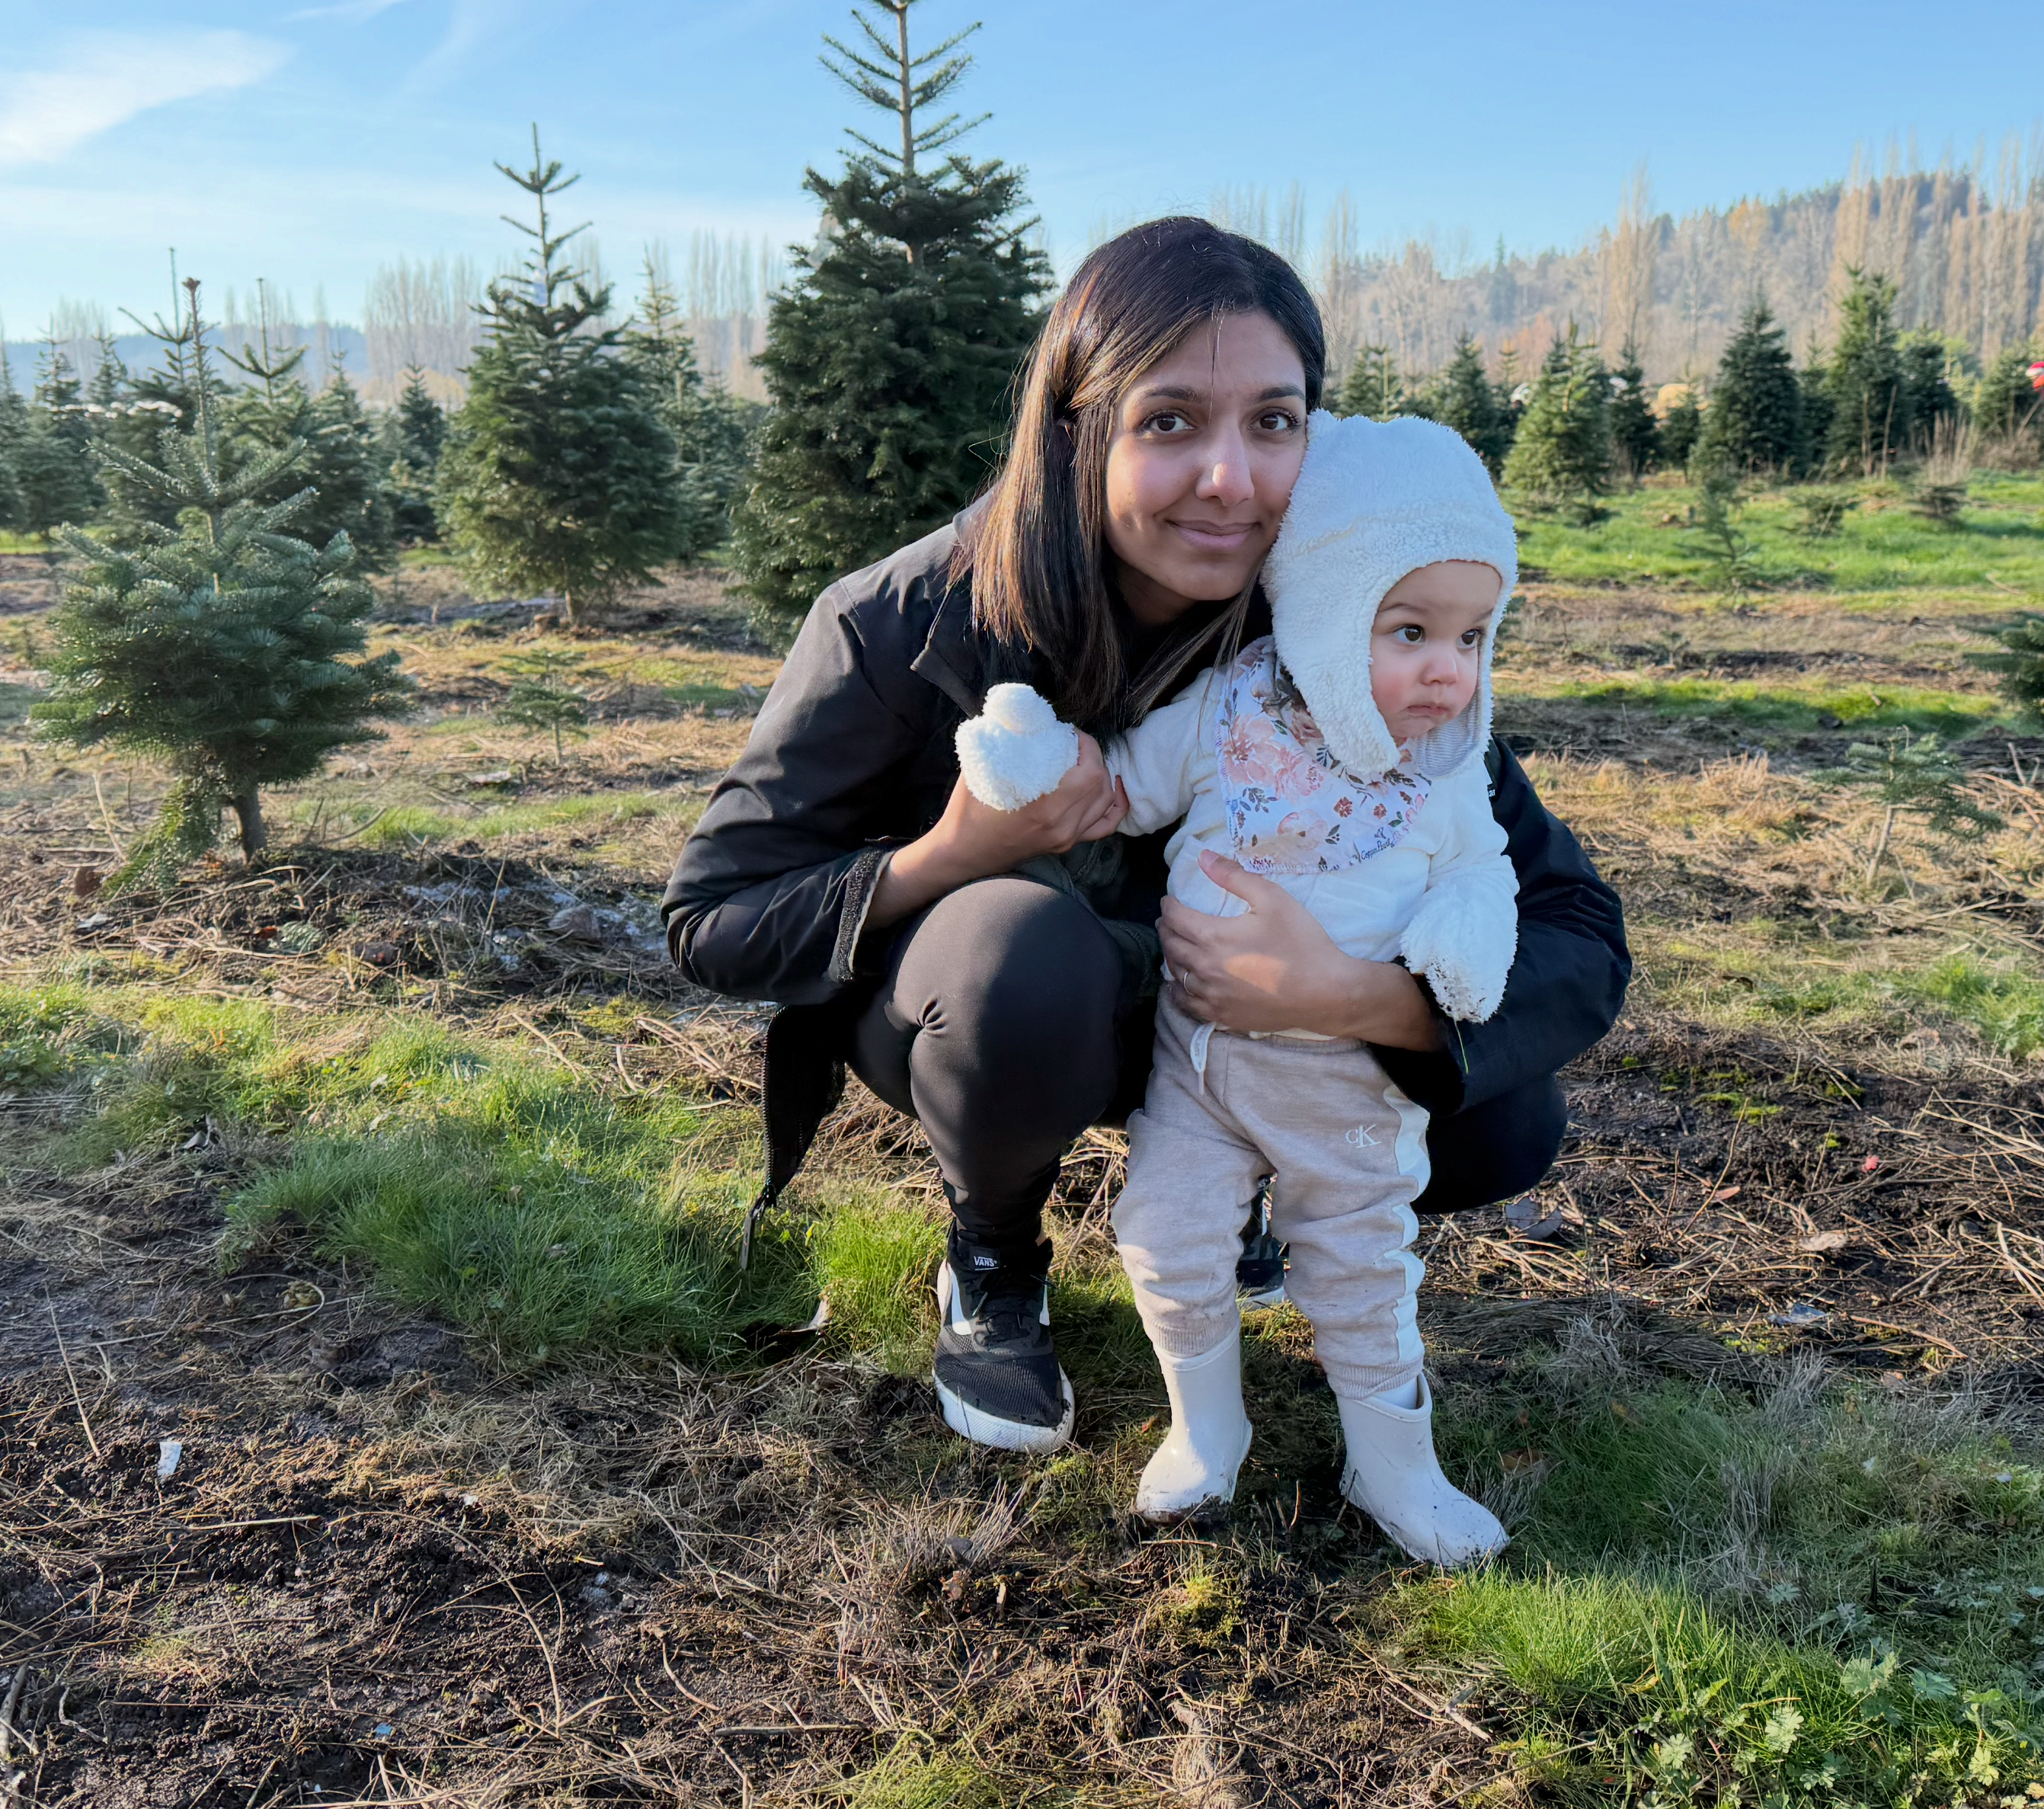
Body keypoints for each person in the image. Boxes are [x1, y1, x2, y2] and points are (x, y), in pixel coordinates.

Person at [660, 218, 1629, 1455]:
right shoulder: (899, 624)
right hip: (1000, 1012)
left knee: (1502, 1115)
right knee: (1019, 958)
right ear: (1079, 429)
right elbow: (713, 918)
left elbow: (1575, 926)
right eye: (1170, 421)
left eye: (1273, 422)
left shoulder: (1337, 624)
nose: (1231, 479)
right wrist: (951, 853)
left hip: (1253, 1028)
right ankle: (994, 1253)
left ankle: (1249, 1186)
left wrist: (1359, 999)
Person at [1083, 411, 1520, 1561]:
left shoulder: (1445, 772)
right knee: (1165, 1234)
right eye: (1410, 630)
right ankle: (1205, 1428)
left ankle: (1395, 1466)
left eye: (1473, 637)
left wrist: (1460, 945)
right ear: (1323, 615)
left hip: (1344, 1084)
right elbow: (1121, 789)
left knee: (1361, 1269)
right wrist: (1040, 764)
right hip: (1201, 1066)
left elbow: (1482, 869)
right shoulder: (1226, 716)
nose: (1447, 668)